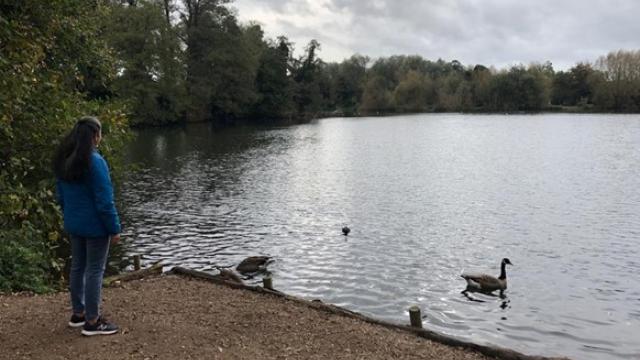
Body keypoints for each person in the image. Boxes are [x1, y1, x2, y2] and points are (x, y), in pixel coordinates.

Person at [53, 116, 121, 336]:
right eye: (100, 133)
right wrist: (114, 227)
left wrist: (71, 216)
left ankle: (78, 314)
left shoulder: (65, 160)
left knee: (77, 268)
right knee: (94, 270)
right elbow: (104, 201)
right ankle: (92, 321)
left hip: (75, 224)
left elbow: (60, 196)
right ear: (95, 135)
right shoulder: (95, 161)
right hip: (95, 227)